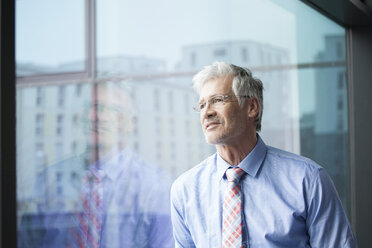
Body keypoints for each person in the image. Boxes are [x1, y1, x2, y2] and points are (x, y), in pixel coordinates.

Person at [170, 62, 357, 247]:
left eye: (218, 100)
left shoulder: (307, 179)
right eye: (202, 105)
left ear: (252, 107)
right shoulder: (185, 190)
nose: (207, 113)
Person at [18, 82, 174, 248]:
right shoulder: (49, 178)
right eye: (88, 108)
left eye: (106, 109)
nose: (94, 117)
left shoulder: (156, 187)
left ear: (129, 123)